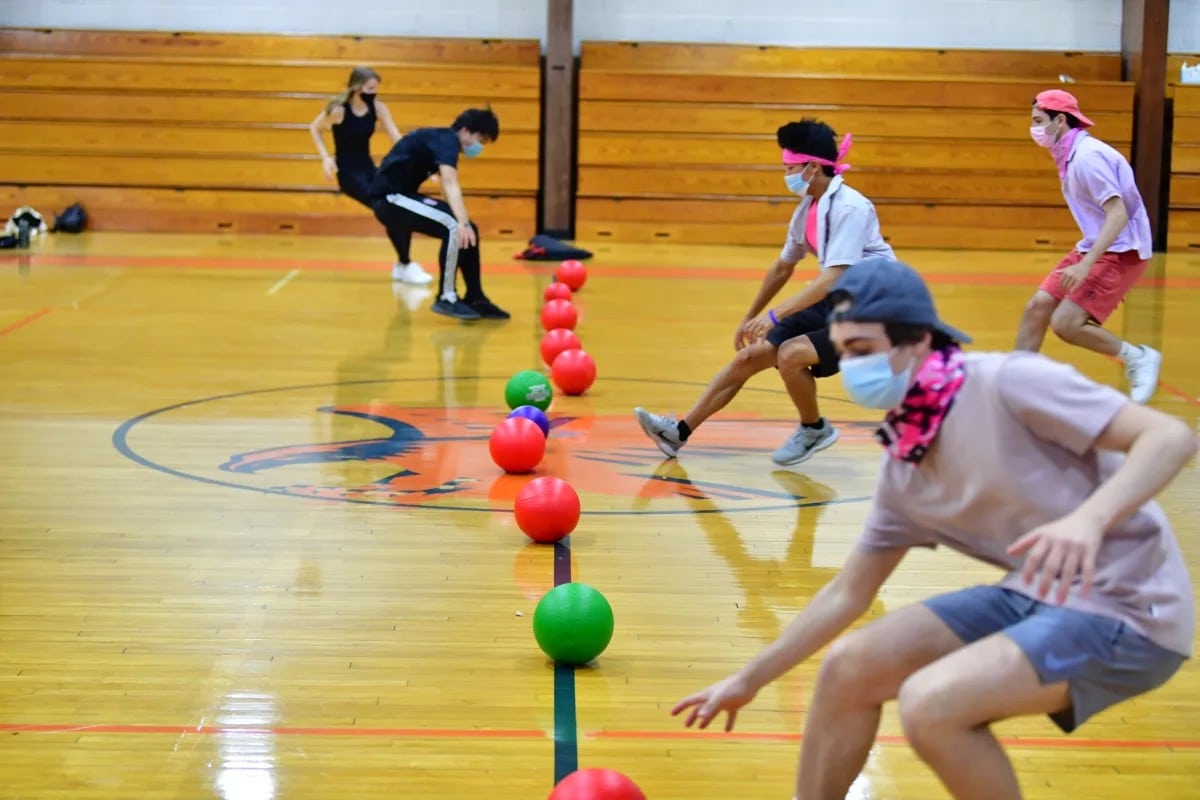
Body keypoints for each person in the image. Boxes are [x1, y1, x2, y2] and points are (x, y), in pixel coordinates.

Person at [673, 256, 1195, 800]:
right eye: (844, 353)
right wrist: (748, 679)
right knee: (849, 667)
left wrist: (1089, 521)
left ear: (918, 339)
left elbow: (1170, 438)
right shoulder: (906, 464)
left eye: (863, 351)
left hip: (1131, 610)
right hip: (1034, 595)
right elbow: (848, 593)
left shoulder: (1007, 383)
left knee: (932, 703)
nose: (852, 369)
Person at [634, 119, 894, 466]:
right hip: (839, 300)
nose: (786, 175)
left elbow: (832, 277)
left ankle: (813, 428)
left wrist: (775, 315)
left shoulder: (850, 207)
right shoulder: (808, 209)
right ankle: (677, 433)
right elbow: (782, 267)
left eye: (790, 168)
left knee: (791, 354)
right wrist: (749, 318)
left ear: (813, 167)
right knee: (749, 357)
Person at [1015, 89, 1161, 403]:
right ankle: (1013, 386)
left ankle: (1137, 358)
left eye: (1039, 121)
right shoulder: (1070, 153)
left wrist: (1086, 264)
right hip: (1095, 245)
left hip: (1121, 251)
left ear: (1061, 120)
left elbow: (1118, 213)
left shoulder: (1087, 158)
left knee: (1066, 324)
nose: (1034, 128)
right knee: (1037, 307)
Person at [369, 107, 508, 321]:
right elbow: (451, 182)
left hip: (401, 196)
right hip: (389, 199)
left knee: (470, 230)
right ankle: (446, 297)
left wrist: (465, 222)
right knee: (454, 226)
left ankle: (475, 297)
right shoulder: (447, 141)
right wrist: (460, 222)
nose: (478, 147)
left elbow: (445, 183)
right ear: (465, 130)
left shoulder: (441, 140)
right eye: (479, 139)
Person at [309, 66, 432, 286]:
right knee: (389, 208)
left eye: (376, 88)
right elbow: (314, 128)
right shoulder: (339, 111)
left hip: (369, 169)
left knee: (399, 204)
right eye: (370, 88)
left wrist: (421, 161)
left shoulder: (377, 108)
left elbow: (398, 139)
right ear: (357, 88)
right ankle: (405, 264)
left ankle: (403, 265)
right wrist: (326, 158)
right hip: (348, 175)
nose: (373, 92)